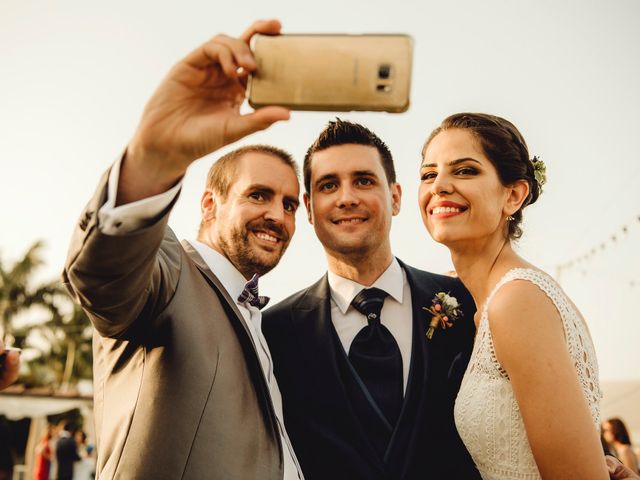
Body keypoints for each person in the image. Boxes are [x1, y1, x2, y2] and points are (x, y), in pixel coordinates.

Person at [62, 19, 304, 479]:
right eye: (259, 195)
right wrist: (153, 160)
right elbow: (103, 279)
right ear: (210, 203)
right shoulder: (170, 271)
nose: (278, 215)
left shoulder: (262, 318)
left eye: (290, 204)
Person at [263, 119, 480, 479]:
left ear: (395, 197)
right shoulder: (273, 332)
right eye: (328, 185)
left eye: (363, 180)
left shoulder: (468, 301)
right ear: (310, 207)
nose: (347, 197)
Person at [418, 112, 608, 478]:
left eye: (465, 171)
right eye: (429, 174)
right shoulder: (475, 299)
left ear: (514, 195)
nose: (439, 185)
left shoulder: (518, 302)